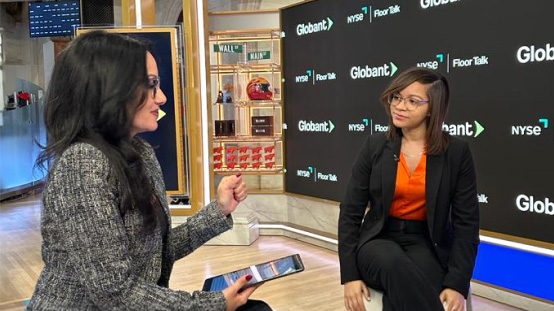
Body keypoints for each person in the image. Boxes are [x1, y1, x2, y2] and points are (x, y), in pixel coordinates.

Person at [28, 30, 270, 311]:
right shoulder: (82, 164)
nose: (163, 97)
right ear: (111, 88)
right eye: (152, 84)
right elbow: (115, 294)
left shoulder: (139, 153)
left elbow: (158, 251)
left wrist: (220, 209)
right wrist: (214, 304)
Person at [338, 68, 480, 311]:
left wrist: (457, 283)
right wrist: (350, 276)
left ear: (432, 108)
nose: (400, 106)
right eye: (397, 97)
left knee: (411, 285)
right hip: (378, 238)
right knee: (394, 265)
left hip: (427, 241)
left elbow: (466, 223)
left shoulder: (456, 153)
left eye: (413, 101)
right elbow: (351, 212)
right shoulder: (375, 145)